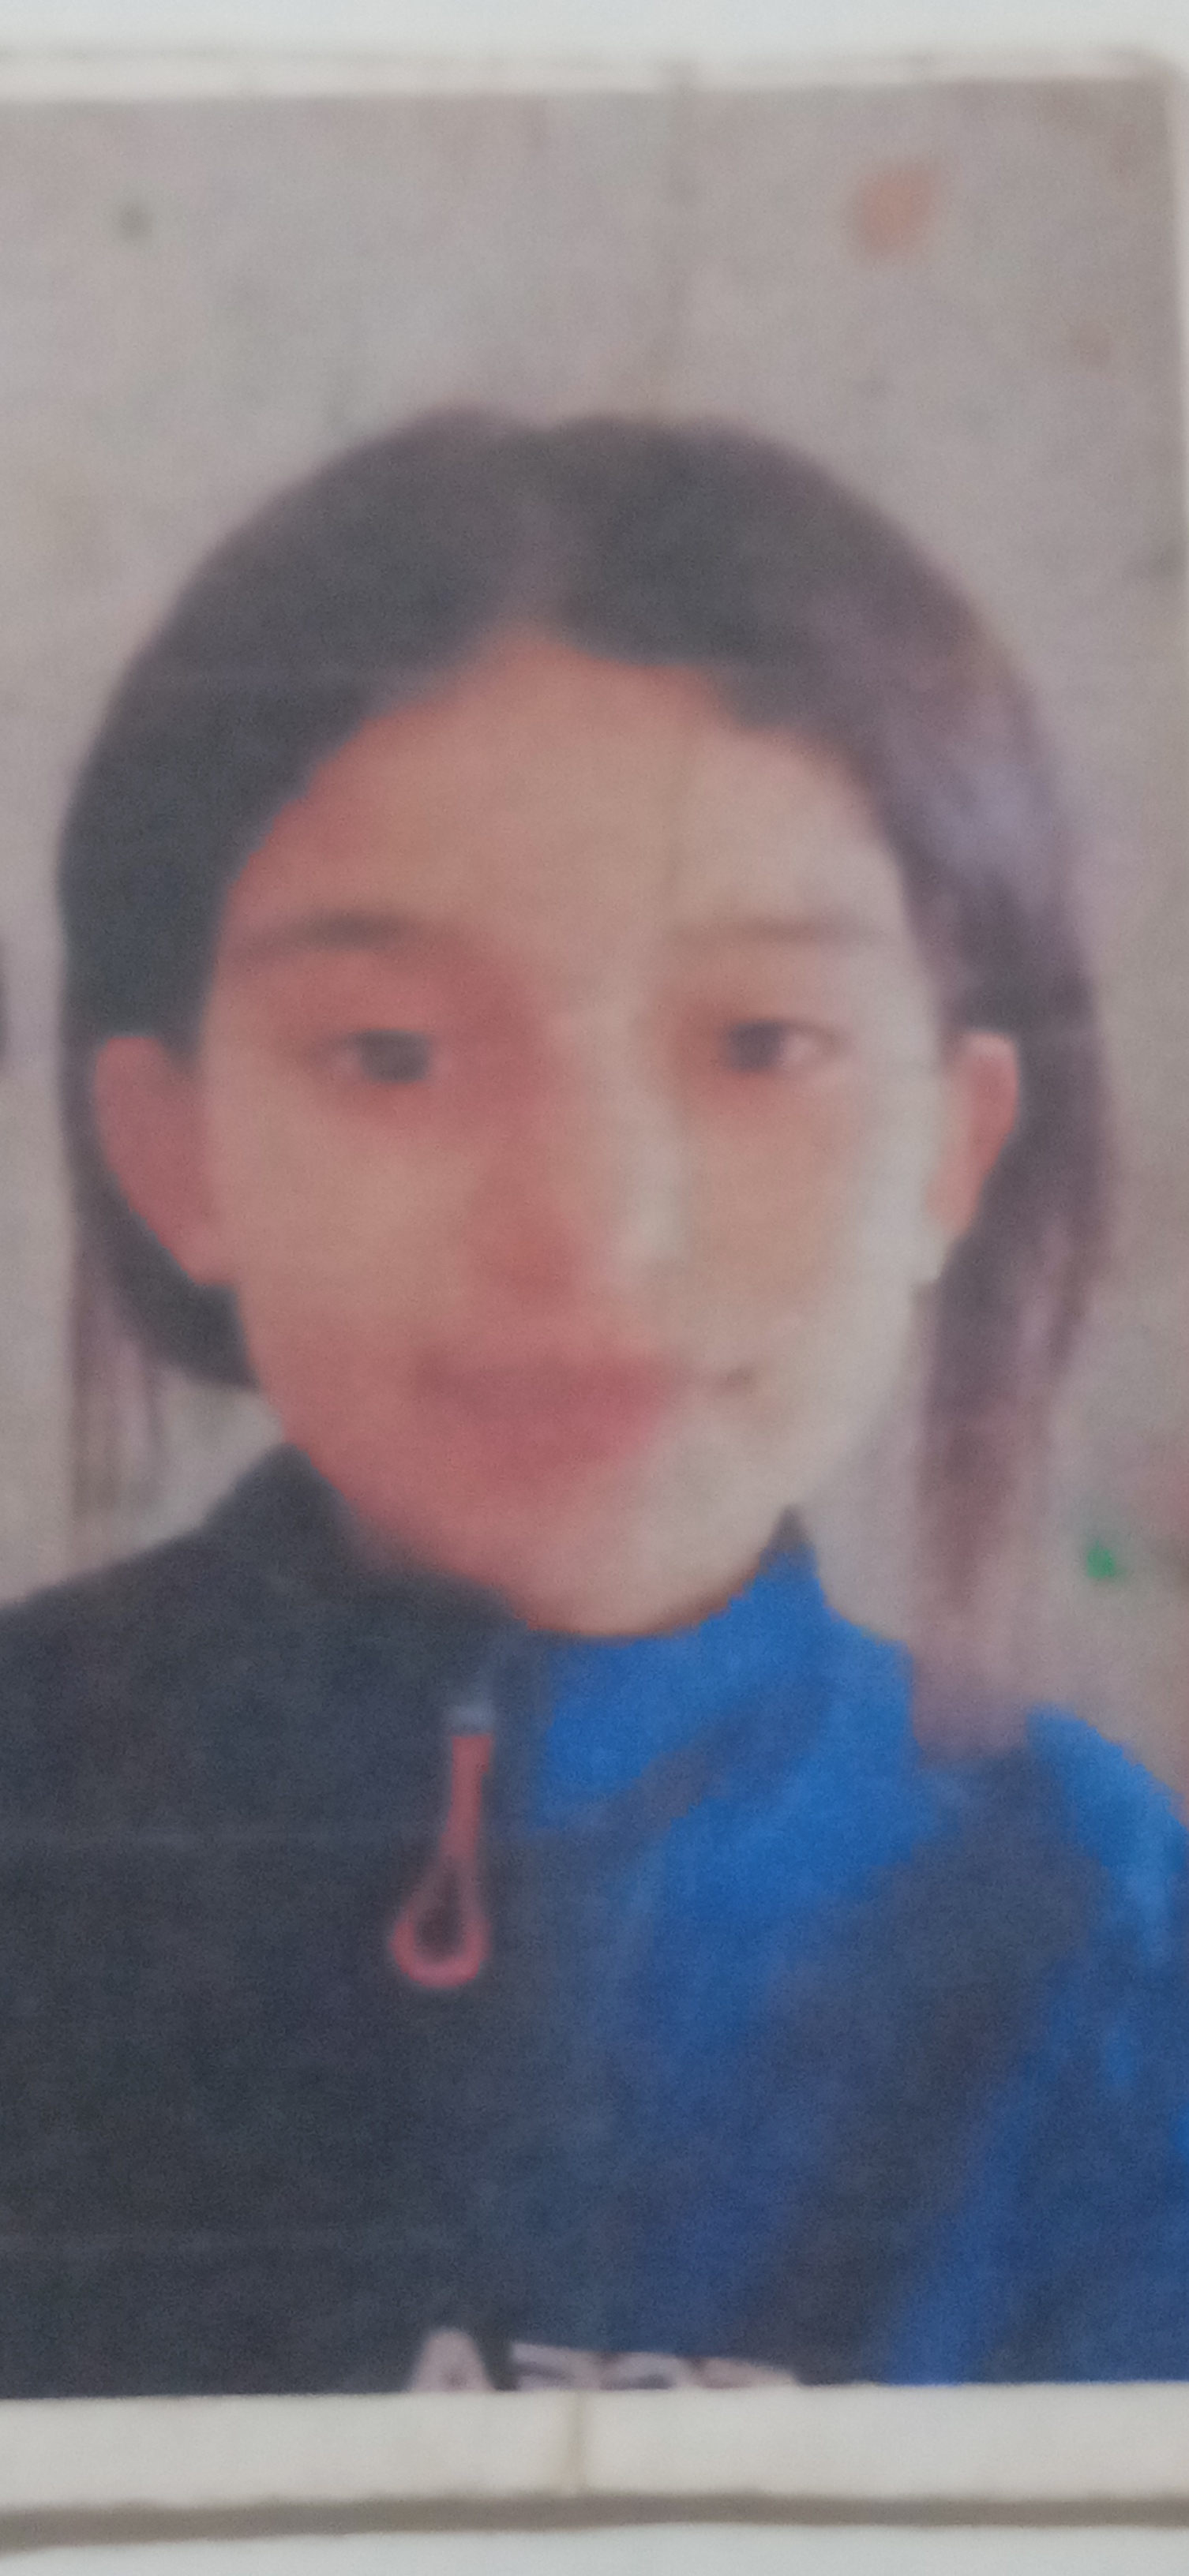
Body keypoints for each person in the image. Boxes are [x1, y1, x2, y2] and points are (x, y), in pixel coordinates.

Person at [1, 411, 1186, 2399]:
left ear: (954, 1152)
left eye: (761, 1044)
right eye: (392, 1054)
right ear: (172, 1150)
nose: (592, 1228)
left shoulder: (1101, 1941)